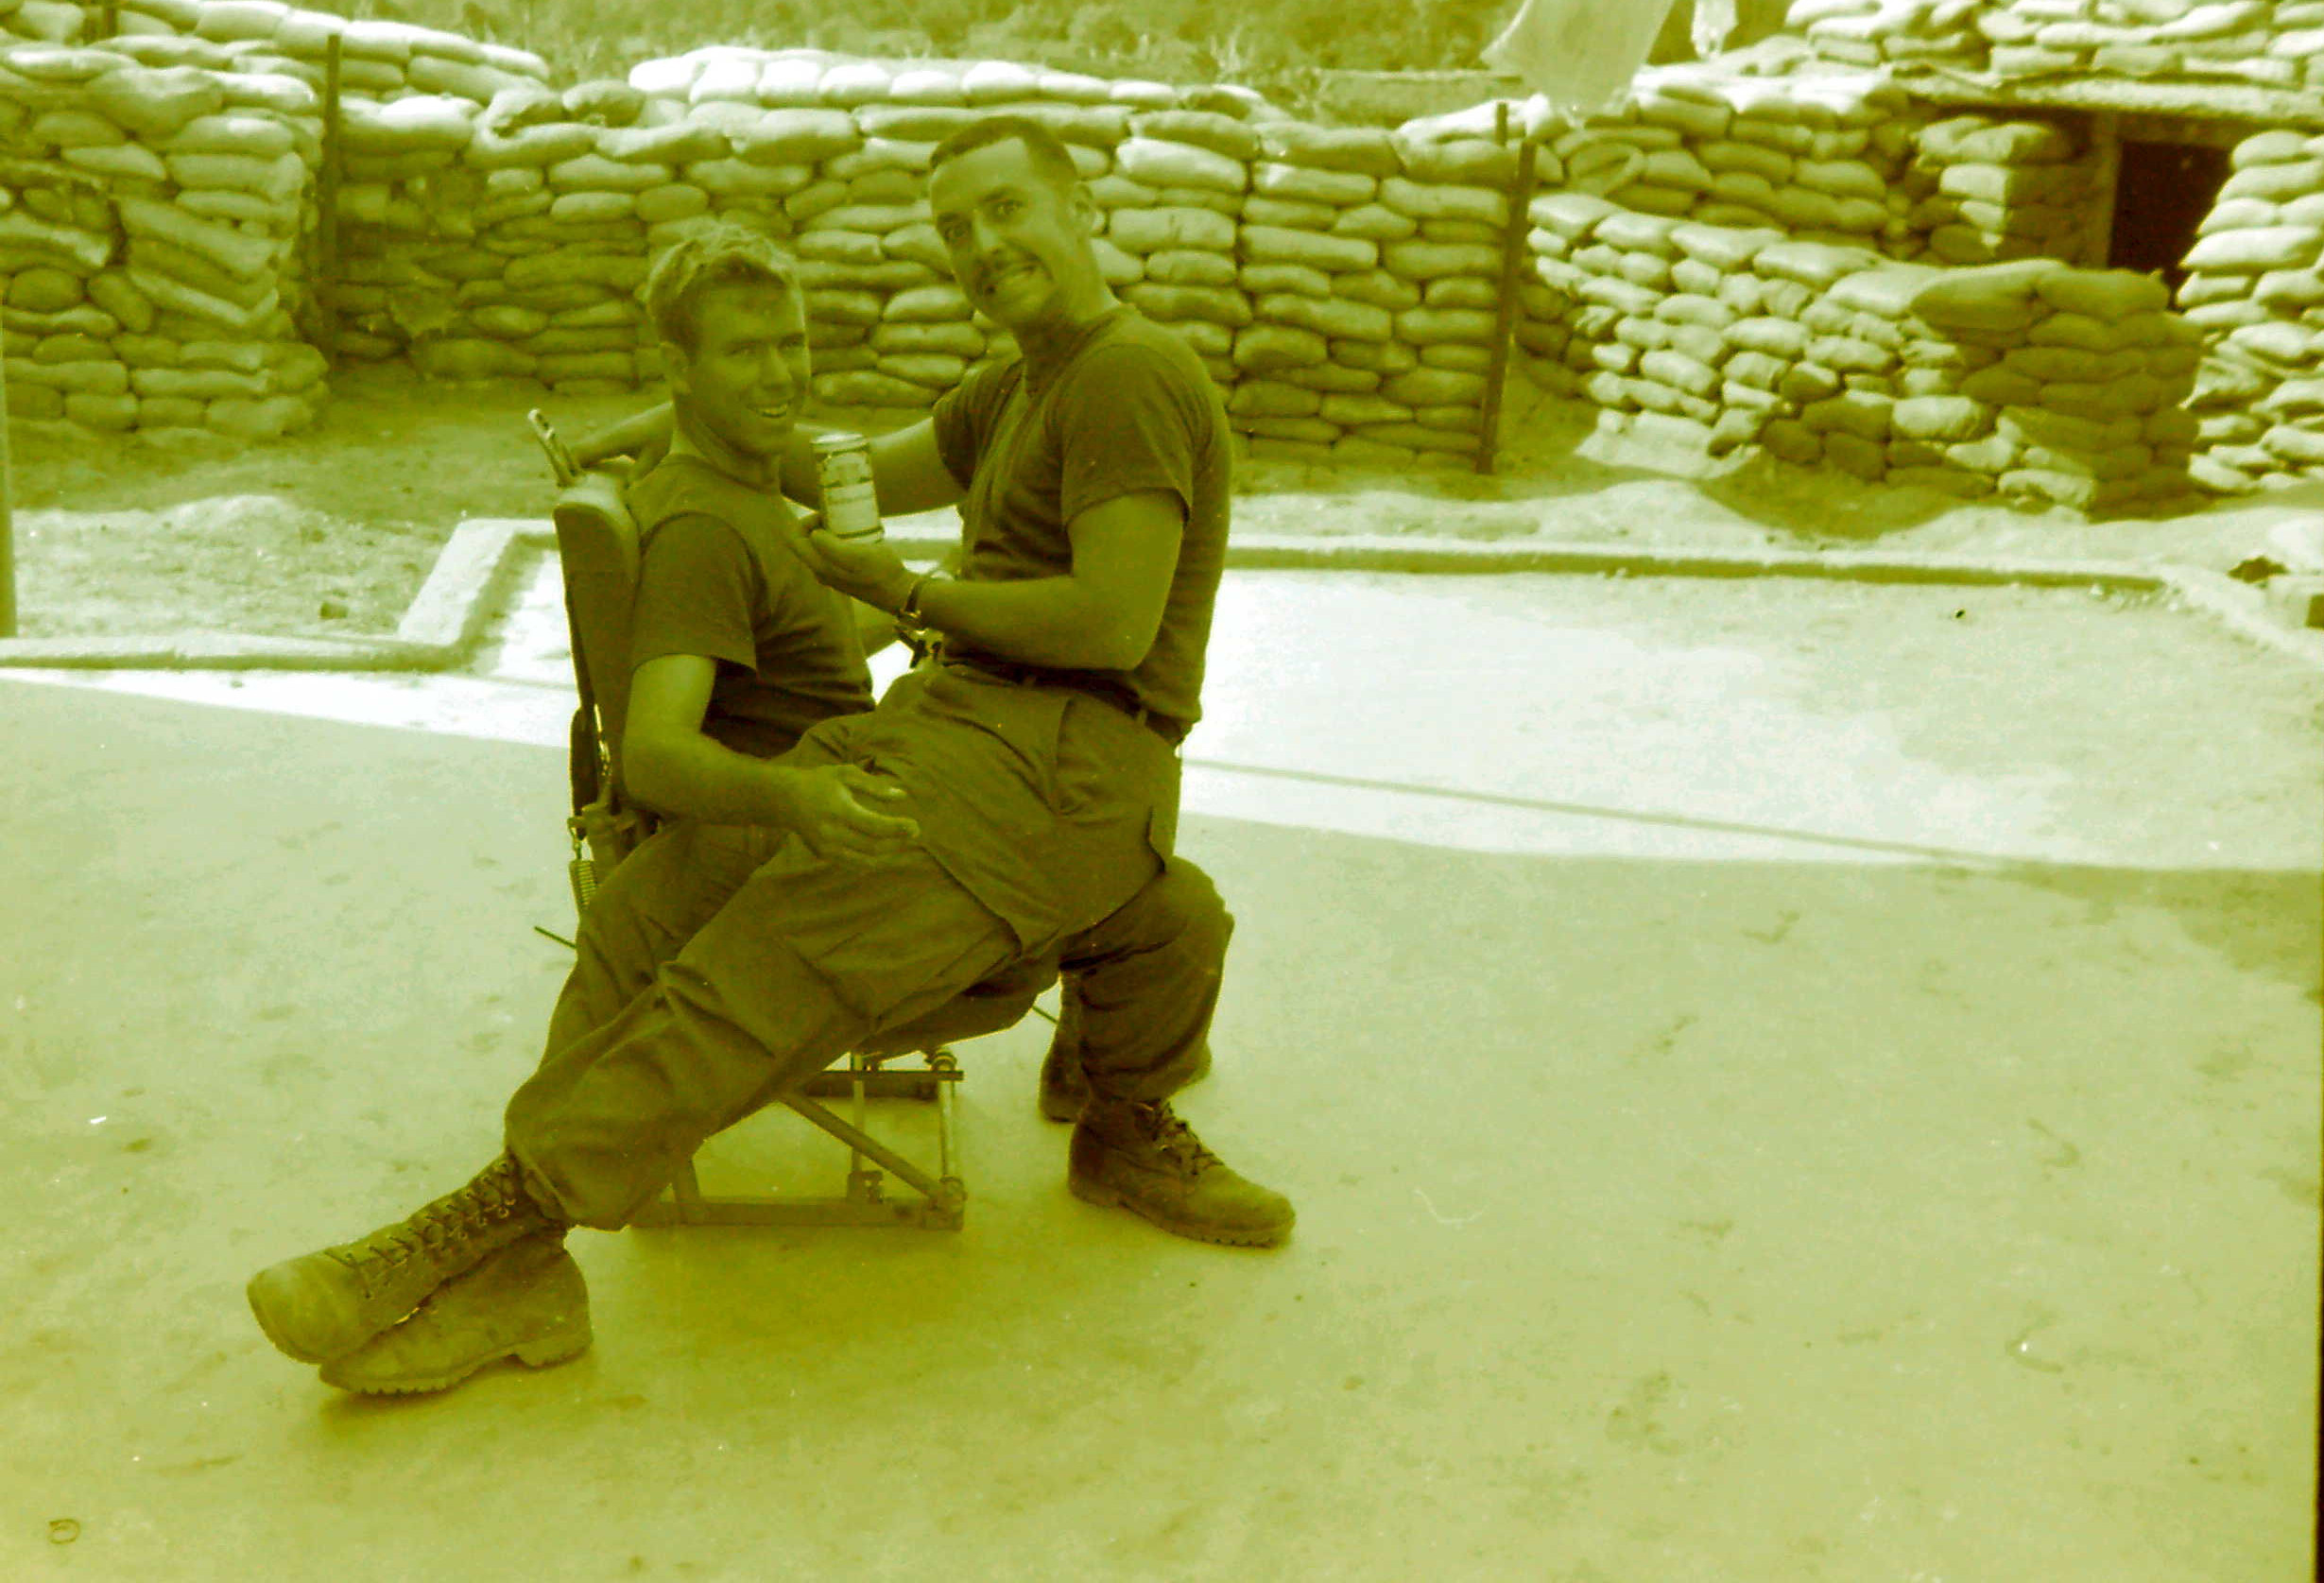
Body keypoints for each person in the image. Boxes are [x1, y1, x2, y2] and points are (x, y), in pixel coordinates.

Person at [246, 116, 1290, 1396]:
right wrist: (667, 417)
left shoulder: (1130, 376)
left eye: (1008, 209)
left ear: (1079, 207)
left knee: (769, 962)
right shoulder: (1017, 385)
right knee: (648, 907)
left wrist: (907, 595)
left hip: (1064, 763)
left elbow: (1113, 622)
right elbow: (837, 461)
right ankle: (530, 1276)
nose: (982, 244)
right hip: (953, 730)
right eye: (955, 228)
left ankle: (474, 1235)